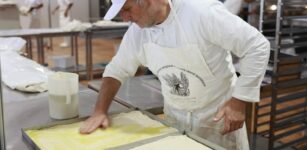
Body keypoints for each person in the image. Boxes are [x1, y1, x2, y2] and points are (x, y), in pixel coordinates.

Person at [79, 0, 270, 149]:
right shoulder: (137, 33)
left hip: (216, 123)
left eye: (127, 9)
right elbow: (116, 70)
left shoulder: (201, 13)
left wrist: (239, 101)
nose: (125, 17)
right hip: (175, 123)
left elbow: (256, 46)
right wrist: (99, 111)